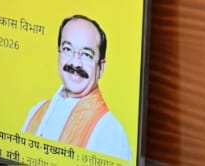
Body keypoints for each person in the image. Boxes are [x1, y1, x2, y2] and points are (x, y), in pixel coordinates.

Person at [20, 15, 133, 158]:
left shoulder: (110, 131)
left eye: (86, 54)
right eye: (68, 49)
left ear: (101, 67)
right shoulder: (36, 111)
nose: (75, 63)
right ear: (59, 52)